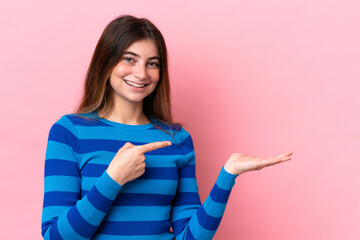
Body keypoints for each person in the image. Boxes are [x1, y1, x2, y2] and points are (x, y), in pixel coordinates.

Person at [41, 14, 293, 240]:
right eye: (129, 59)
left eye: (152, 63)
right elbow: (56, 236)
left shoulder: (178, 140)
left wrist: (227, 176)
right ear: (106, 62)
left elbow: (190, 237)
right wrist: (113, 178)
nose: (141, 73)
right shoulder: (69, 132)